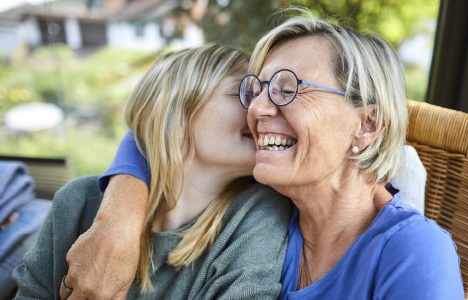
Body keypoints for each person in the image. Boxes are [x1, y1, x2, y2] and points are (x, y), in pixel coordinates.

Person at [58, 10, 464, 300]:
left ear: (368, 125)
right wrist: (120, 217)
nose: (257, 110)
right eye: (256, 90)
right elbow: (157, 126)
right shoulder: (266, 207)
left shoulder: (414, 252)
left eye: (288, 88)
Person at [12, 44, 291, 299]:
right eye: (243, 93)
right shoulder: (76, 203)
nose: (260, 110)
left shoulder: (258, 215)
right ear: (174, 111)